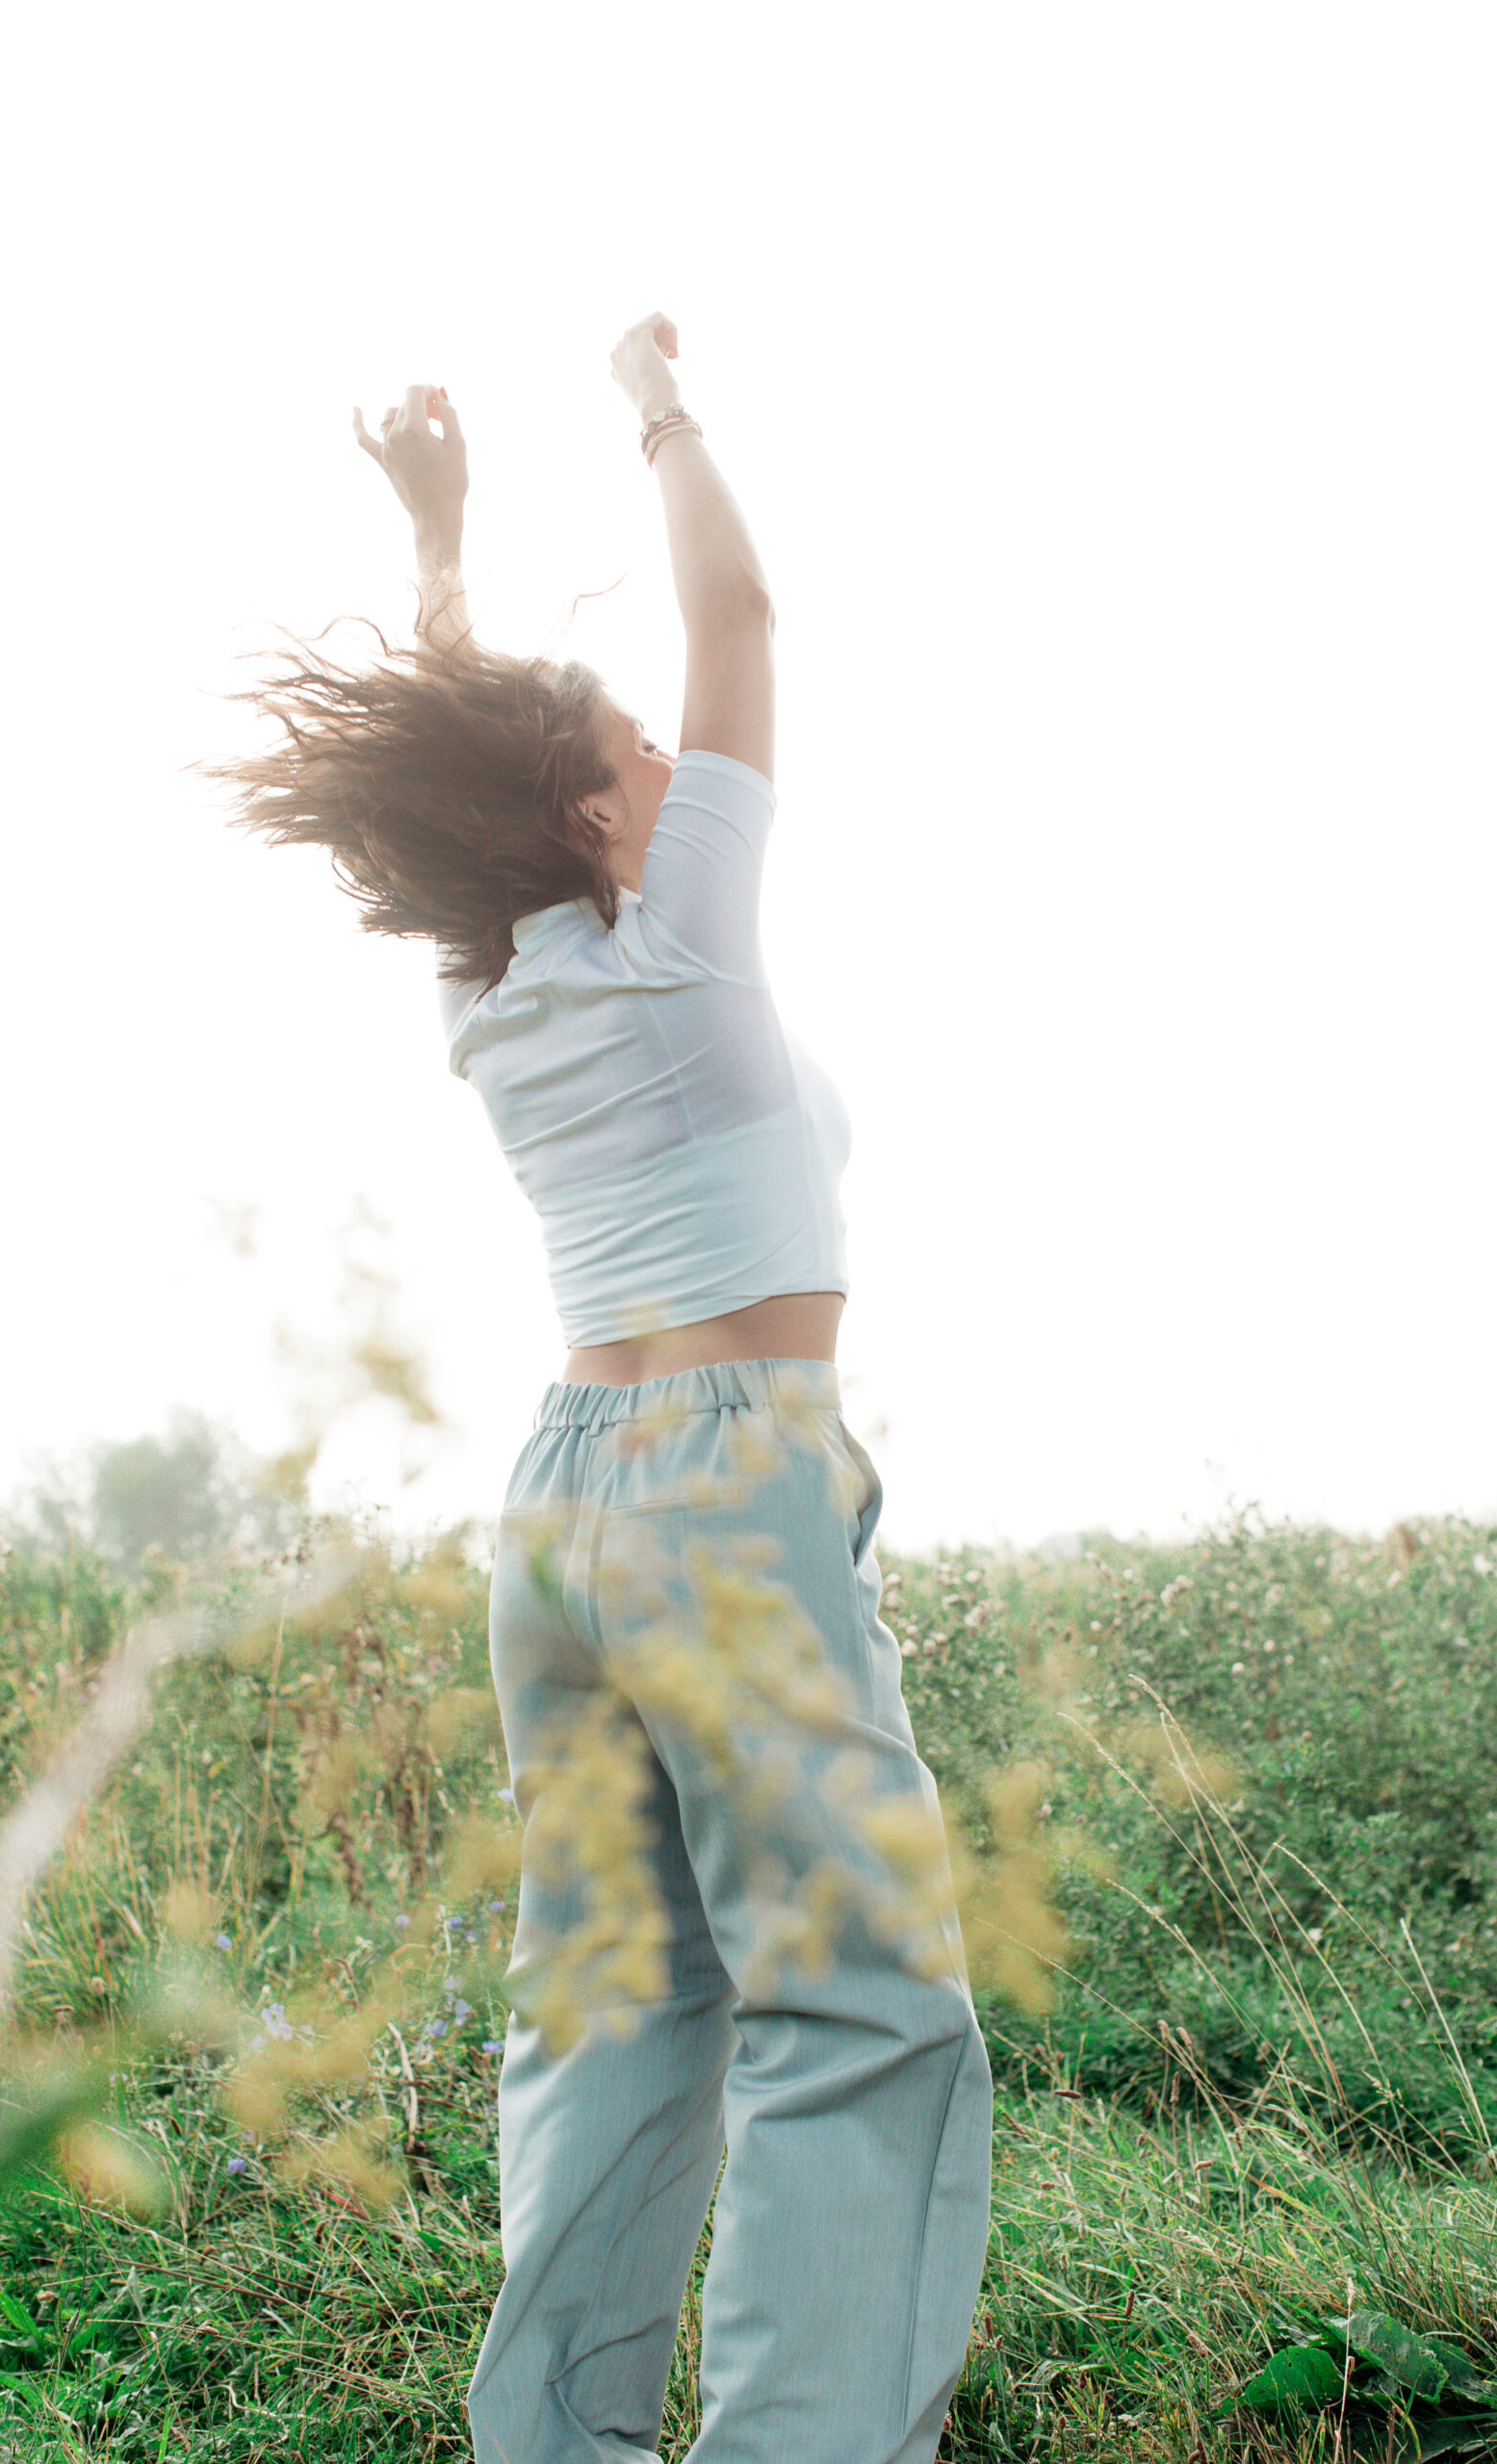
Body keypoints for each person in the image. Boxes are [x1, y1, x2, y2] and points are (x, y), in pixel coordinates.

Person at [216, 314, 994, 2464]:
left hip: (557, 1506)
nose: (672, 753)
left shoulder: (495, 985)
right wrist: (657, 398)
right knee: (850, 2000)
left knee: (606, 2008)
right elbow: (739, 606)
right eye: (639, 749)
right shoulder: (678, 931)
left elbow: (472, 777)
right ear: (594, 815)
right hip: (729, 1489)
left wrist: (439, 539)